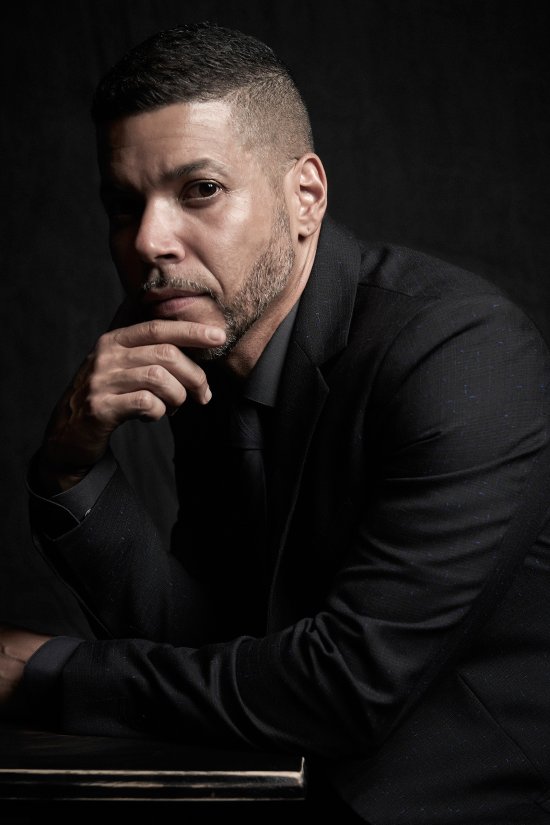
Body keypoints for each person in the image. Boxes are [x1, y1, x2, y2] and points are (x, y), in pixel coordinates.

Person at [2, 21, 550, 824]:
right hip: (280, 786)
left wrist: (41, 673)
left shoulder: (463, 354)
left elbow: (345, 686)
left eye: (200, 190)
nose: (150, 241)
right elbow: (206, 645)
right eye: (125, 204)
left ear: (306, 197)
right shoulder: (207, 349)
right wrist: (72, 468)